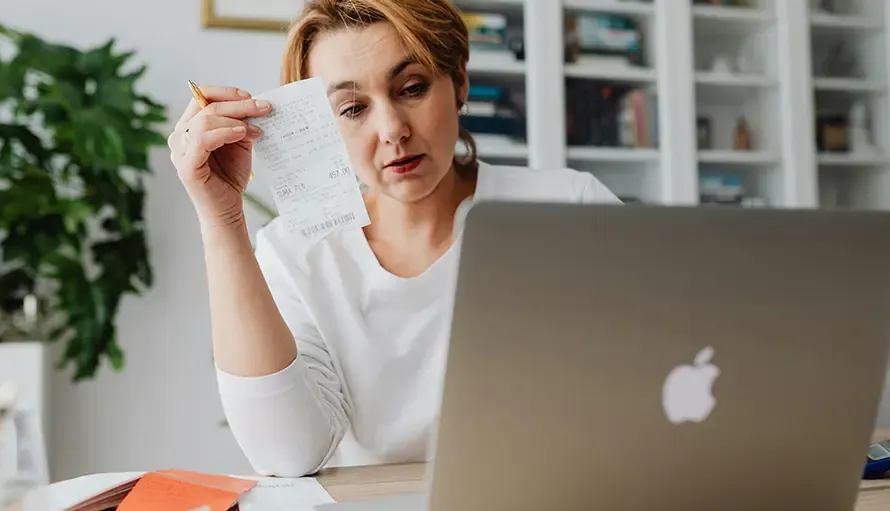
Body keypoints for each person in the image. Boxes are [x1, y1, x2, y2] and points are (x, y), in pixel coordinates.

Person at [167, 0, 622, 478]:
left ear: (459, 81)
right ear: (322, 126)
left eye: (411, 88)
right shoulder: (296, 253)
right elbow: (286, 455)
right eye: (352, 108)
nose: (392, 131)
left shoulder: (570, 208)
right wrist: (221, 219)